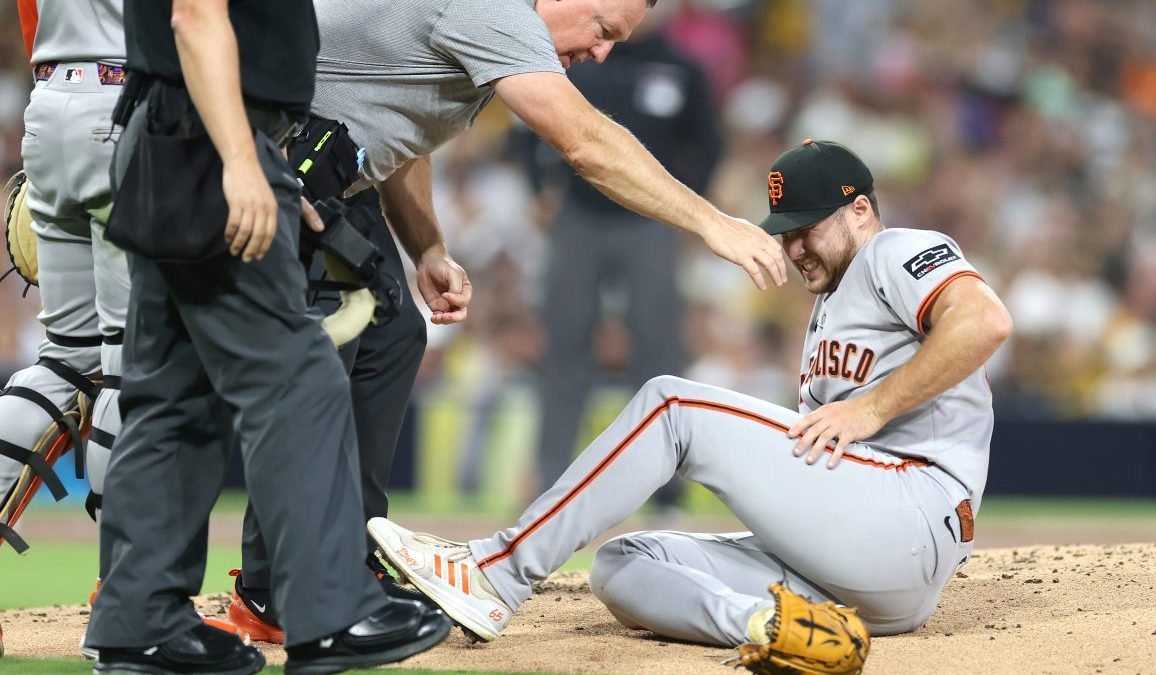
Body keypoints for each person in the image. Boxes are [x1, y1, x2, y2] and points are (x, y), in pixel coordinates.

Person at [224, 0, 788, 642]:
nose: (602, 52)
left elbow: (400, 129)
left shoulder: (490, 25)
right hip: (260, 165)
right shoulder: (493, 10)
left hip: (324, 175)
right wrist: (713, 222)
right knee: (321, 365)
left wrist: (428, 247)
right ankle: (278, 593)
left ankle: (347, 564)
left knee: (392, 336)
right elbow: (585, 141)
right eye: (603, 30)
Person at [368, 140, 1013, 663]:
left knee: (671, 405)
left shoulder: (892, 250)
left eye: (808, 228)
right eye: (786, 232)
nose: (793, 248)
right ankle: (773, 626)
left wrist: (870, 409)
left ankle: (497, 572)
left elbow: (984, 321)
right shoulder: (830, 304)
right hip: (857, 571)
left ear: (861, 210)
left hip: (911, 512)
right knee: (626, 564)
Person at [83, 1, 450, 673]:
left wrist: (264, 160)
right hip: (211, 142)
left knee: (175, 395)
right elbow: (196, 15)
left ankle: (141, 621)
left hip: (176, 136)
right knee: (300, 377)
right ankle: (329, 611)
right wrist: (240, 158)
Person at [521, 17, 723, 506]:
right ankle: (551, 480)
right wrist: (538, 188)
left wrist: (687, 206)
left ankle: (666, 486)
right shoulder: (580, 58)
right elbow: (527, 124)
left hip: (649, 222)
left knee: (659, 347)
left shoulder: (681, 68)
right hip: (578, 216)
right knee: (564, 344)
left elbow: (709, 144)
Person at [0, 0, 126, 554]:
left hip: (49, 100)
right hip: (131, 99)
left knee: (66, 360)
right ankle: (128, 592)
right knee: (132, 367)